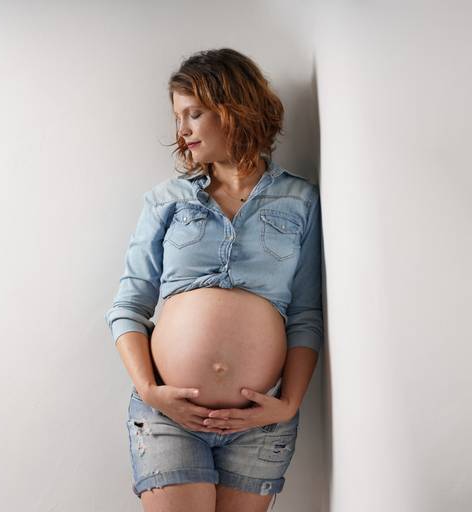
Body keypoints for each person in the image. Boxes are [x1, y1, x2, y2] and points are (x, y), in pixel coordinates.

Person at [104, 48, 324, 512]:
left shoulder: (299, 200)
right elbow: (127, 306)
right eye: (178, 117)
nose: (182, 131)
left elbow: (305, 315)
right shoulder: (165, 201)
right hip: (169, 416)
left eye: (194, 114)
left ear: (234, 108)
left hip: (259, 421)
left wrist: (288, 403)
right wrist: (150, 391)